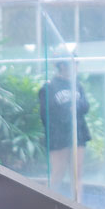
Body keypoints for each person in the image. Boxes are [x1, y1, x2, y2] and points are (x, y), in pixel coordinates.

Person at [39, 59, 91, 200]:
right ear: (62, 65)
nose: (76, 66)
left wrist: (75, 108)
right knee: (58, 173)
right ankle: (47, 204)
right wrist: (66, 113)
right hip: (58, 136)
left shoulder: (77, 85)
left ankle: (79, 208)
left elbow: (85, 106)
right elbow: (46, 114)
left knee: (77, 173)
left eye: (77, 63)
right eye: (73, 63)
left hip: (78, 134)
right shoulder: (49, 87)